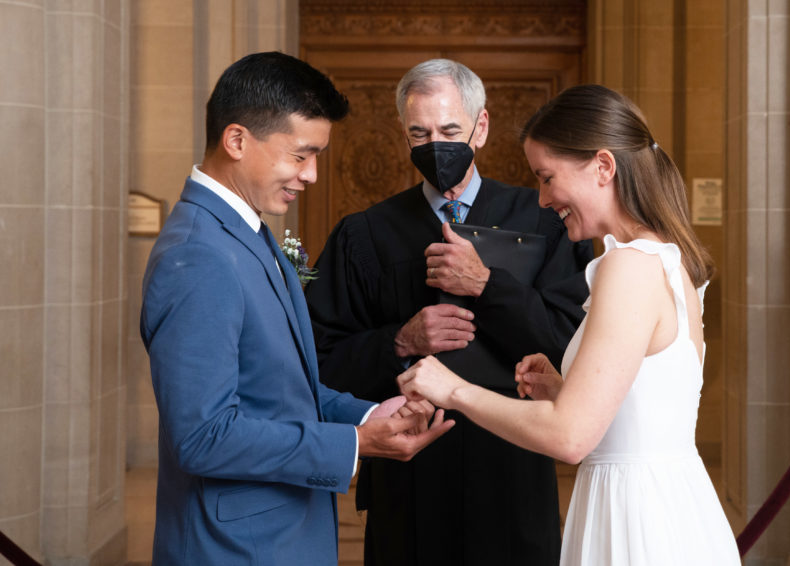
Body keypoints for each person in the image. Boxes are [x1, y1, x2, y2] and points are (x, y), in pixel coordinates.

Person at [398, 83, 741, 565]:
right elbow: (642, 413)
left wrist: (451, 388)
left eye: (547, 177)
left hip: (636, 520)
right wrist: (563, 391)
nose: (542, 200)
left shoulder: (630, 266)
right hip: (663, 502)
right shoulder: (663, 259)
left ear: (603, 167)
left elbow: (570, 438)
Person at [139, 51, 454, 566]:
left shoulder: (249, 233)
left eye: (317, 158)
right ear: (237, 140)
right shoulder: (198, 253)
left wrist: (372, 412)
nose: (310, 176)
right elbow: (202, 436)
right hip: (234, 549)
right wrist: (352, 444)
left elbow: (282, 391)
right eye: (300, 155)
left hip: (281, 535)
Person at [304, 59, 593, 565]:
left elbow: (573, 346)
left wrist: (486, 284)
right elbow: (319, 361)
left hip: (512, 470)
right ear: (404, 135)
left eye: (450, 129)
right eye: (420, 133)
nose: (435, 144)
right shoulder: (366, 234)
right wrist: (400, 341)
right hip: (410, 478)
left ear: (480, 128)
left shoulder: (544, 221)